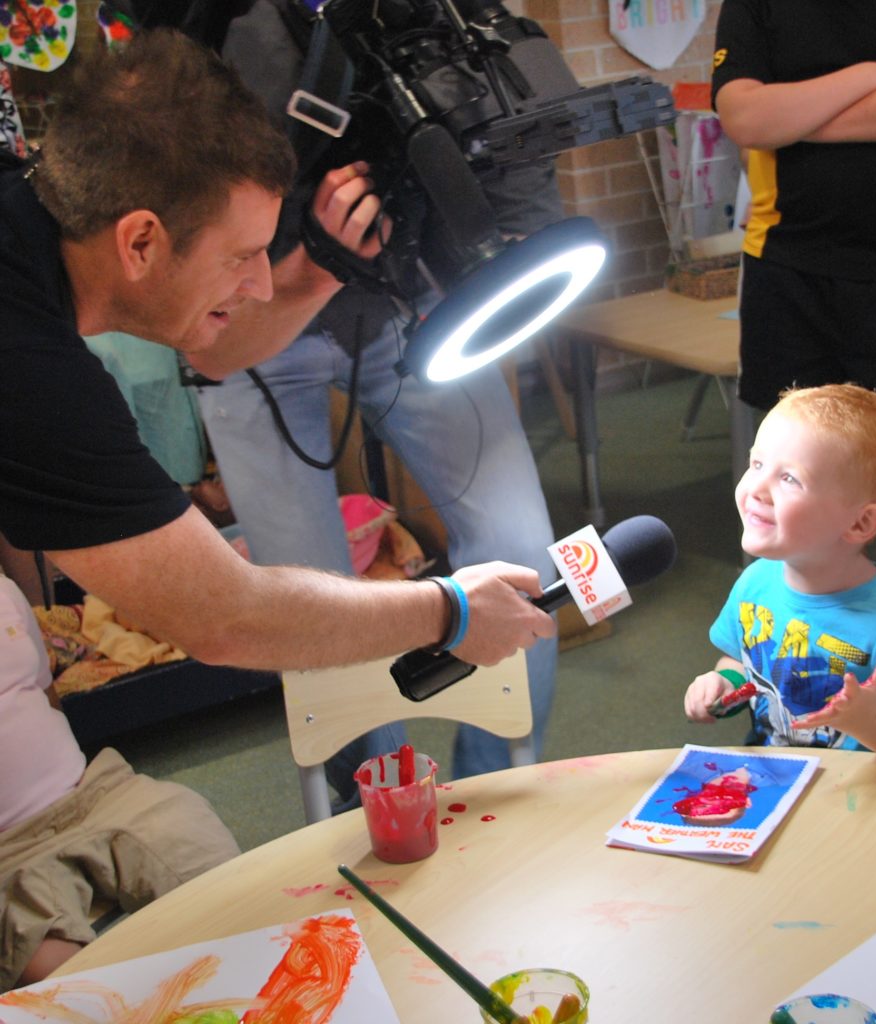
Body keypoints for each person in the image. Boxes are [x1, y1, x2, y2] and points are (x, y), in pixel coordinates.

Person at [0, 32, 554, 690]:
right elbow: (224, 615)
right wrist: (450, 609)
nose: (260, 286)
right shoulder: (32, 370)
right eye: (240, 256)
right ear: (141, 241)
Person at [192, 0, 562, 797]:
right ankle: (382, 812)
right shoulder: (224, 33)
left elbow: (523, 151)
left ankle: (487, 801)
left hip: (411, 308)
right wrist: (309, 257)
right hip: (254, 322)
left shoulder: (448, 15)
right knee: (312, 610)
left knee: (527, 562)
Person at [711, 0, 876, 620]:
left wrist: (795, 116)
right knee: (781, 449)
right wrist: (873, 75)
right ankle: (772, 621)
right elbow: (746, 118)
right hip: (784, 256)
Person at [683, 384, 876, 764]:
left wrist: (873, 721)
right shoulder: (754, 585)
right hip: (776, 783)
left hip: (861, 803)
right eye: (756, 465)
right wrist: (724, 683)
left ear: (860, 523)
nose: (756, 488)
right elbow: (742, 664)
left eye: (789, 478)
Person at [0, 571, 240, 989]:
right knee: (51, 973)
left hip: (90, 792)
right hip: (8, 851)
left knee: (194, 843)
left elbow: (44, 692)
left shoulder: (5, 593)